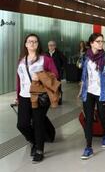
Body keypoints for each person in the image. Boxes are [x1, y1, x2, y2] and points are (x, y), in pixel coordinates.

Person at [16, 34, 59, 163]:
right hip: (24, 96)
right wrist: (17, 96)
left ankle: (39, 150)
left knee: (38, 123)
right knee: (22, 124)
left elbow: (55, 75)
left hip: (40, 96)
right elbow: (20, 80)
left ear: (38, 44)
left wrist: (40, 76)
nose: (32, 43)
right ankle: (34, 142)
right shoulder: (22, 60)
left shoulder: (45, 59)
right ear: (25, 44)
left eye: (35, 41)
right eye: (30, 41)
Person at [79, 33, 105, 160]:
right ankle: (88, 147)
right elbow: (84, 75)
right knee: (88, 119)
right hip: (88, 92)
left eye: (102, 41)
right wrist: (81, 89)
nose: (101, 43)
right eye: (98, 41)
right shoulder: (86, 57)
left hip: (102, 92)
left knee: (102, 115)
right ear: (91, 43)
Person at [46, 40, 67, 105]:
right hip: (48, 74)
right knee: (49, 87)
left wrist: (61, 69)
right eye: (49, 45)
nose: (51, 47)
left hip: (57, 73)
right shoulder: (46, 53)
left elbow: (64, 61)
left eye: (52, 45)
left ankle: (59, 99)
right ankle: (50, 99)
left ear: (55, 46)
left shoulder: (59, 53)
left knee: (57, 87)